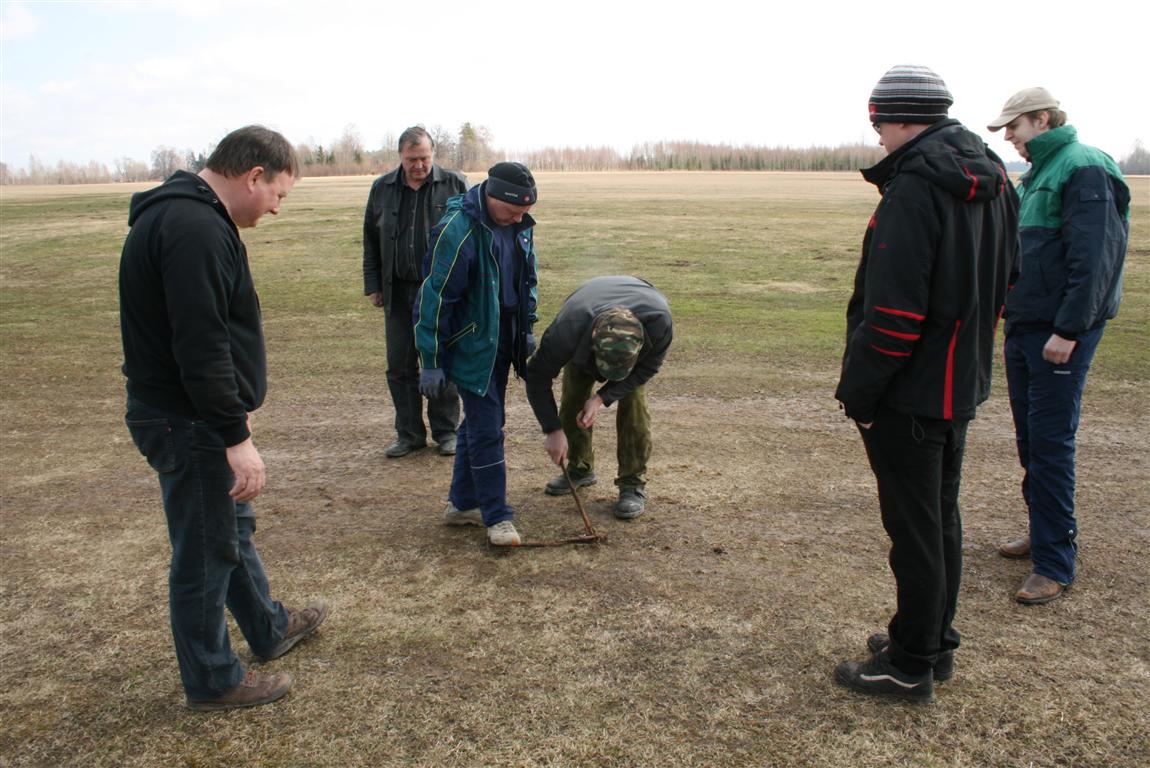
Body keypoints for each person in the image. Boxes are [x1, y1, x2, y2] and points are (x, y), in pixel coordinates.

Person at [119, 126, 329, 711]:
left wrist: (235, 417)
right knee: (206, 551)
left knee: (228, 530)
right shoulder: (193, 228)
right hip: (187, 421)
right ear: (252, 176)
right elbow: (201, 343)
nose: (277, 208)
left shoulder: (193, 217)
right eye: (278, 195)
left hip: (194, 414)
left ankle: (266, 627)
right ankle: (212, 680)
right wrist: (233, 434)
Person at [833, 66, 1018, 702]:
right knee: (938, 522)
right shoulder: (996, 179)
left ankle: (909, 665)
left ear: (902, 118)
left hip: (909, 394)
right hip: (958, 386)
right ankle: (929, 641)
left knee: (916, 532)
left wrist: (860, 392)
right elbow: (1006, 285)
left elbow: (894, 315)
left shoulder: (914, 190)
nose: (878, 137)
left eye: (878, 123)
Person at [987, 88, 1130, 605]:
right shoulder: (1037, 174)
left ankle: (1054, 561)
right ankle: (1041, 531)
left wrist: (1068, 331)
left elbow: (1096, 260)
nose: (1009, 137)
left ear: (1042, 119)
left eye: (1014, 127)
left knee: (1050, 443)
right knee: (1031, 438)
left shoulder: (1084, 167)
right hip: (1026, 327)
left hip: (1058, 335)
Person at [413, 162, 539, 547]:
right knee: (487, 427)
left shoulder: (519, 226)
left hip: (504, 340)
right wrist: (430, 359)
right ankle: (497, 517)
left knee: (479, 422)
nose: (521, 217)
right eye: (515, 209)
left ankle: (462, 503)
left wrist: (527, 328)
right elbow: (435, 297)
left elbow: (527, 279)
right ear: (492, 195)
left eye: (526, 210)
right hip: (471, 343)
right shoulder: (457, 230)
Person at [524, 275, 673, 519]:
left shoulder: (659, 325)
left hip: (639, 302)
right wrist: (552, 429)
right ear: (593, 338)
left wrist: (601, 398)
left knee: (634, 404)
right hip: (585, 311)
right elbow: (537, 377)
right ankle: (579, 469)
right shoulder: (567, 330)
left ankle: (632, 484)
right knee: (573, 396)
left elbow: (647, 369)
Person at [363, 126, 467, 458]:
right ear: (400, 157)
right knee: (400, 366)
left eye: (423, 158)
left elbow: (473, 237)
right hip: (398, 293)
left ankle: (446, 431)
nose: (418, 165)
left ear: (432, 154)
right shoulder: (382, 188)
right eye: (411, 159)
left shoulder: (455, 185)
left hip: (441, 295)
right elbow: (370, 239)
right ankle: (408, 434)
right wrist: (374, 284)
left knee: (441, 361)